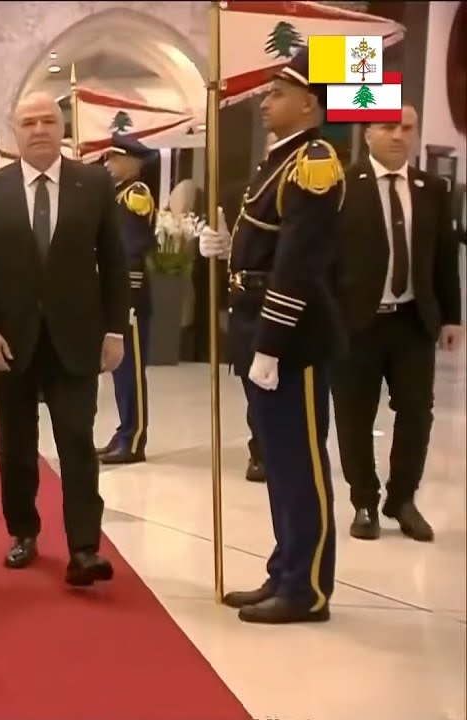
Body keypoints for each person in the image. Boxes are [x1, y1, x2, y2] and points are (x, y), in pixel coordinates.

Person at [198, 48, 343, 624]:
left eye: (278, 93)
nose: (265, 102)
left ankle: (307, 590)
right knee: (279, 463)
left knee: (301, 465)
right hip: (260, 325)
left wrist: (271, 344)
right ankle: (285, 570)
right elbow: (264, 244)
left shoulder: (315, 160)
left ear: (309, 102)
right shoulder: (277, 162)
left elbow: (300, 262)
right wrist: (221, 249)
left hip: (293, 337)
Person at [0, 91, 130, 585]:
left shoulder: (93, 183)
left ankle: (84, 548)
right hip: (11, 342)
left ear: (63, 129)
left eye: (49, 121)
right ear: (15, 132)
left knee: (77, 440)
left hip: (76, 339)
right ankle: (24, 532)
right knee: (15, 445)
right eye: (29, 122)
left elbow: (116, 264)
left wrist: (115, 329)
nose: (39, 129)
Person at [332, 104, 463, 542]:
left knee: (416, 414)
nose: (398, 136)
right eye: (387, 126)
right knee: (354, 416)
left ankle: (402, 498)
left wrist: (452, 318)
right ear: (367, 133)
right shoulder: (344, 187)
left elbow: (444, 258)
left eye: (407, 127)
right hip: (357, 323)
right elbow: (327, 259)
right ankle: (364, 501)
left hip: (412, 323)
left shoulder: (432, 188)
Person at [98, 134, 158, 465]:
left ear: (133, 162)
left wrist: (126, 295)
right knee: (120, 370)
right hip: (118, 294)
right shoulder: (117, 195)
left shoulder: (136, 195)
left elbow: (133, 249)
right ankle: (124, 431)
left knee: (131, 369)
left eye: (115, 159)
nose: (109, 164)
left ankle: (133, 439)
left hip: (131, 294)